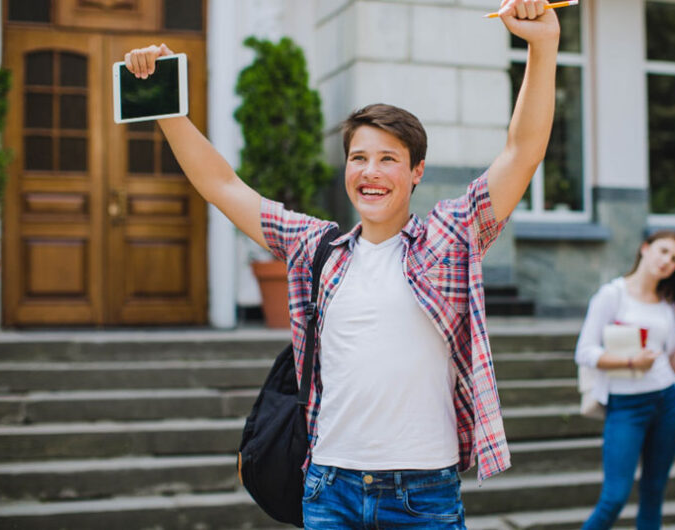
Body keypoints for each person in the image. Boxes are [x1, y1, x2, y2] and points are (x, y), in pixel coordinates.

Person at [123, 1, 560, 527]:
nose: (370, 172)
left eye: (388, 159)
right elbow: (222, 186)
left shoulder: (447, 239)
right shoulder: (316, 247)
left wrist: (542, 46)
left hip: (422, 494)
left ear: (416, 171)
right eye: (359, 157)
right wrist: (165, 102)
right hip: (330, 487)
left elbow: (522, 151)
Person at [575, 230, 675, 529]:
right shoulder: (613, 294)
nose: (667, 262)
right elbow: (584, 352)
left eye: (674, 259)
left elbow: (673, 367)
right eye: (662, 251)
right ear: (645, 249)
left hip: (667, 402)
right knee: (614, 497)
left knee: (654, 492)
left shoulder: (669, 305)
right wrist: (631, 361)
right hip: (625, 406)